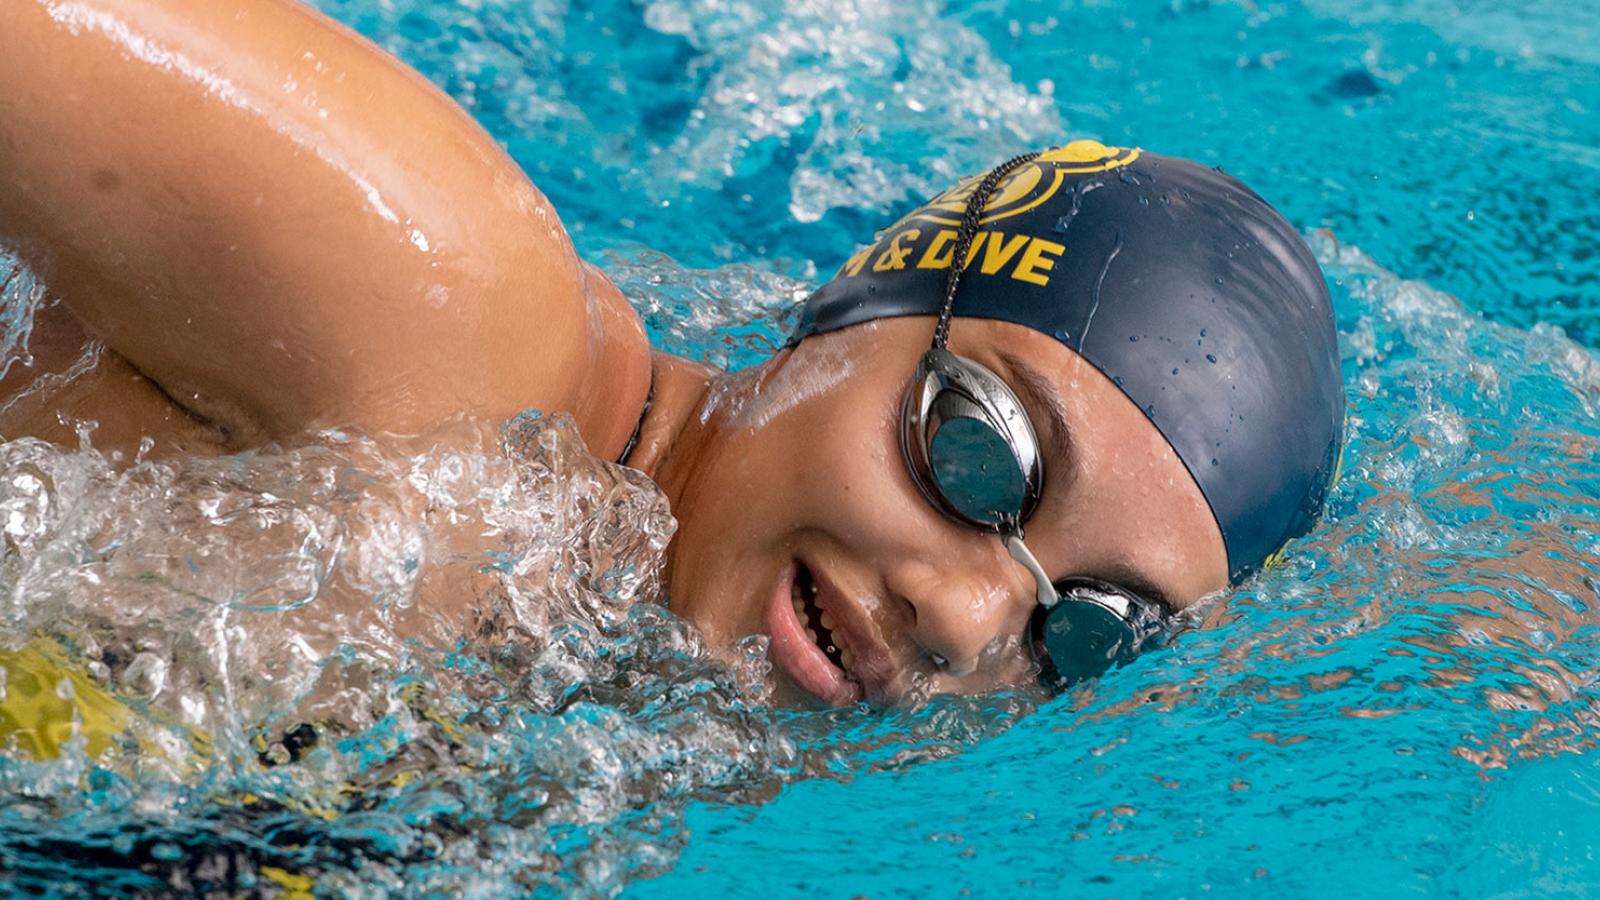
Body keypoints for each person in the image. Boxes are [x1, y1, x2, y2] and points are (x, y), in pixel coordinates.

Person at [0, 0, 1342, 709]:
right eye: (983, 456)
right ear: (861, 307)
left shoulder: (605, 703)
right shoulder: (448, 316)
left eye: (1085, 632)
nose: (973, 619)